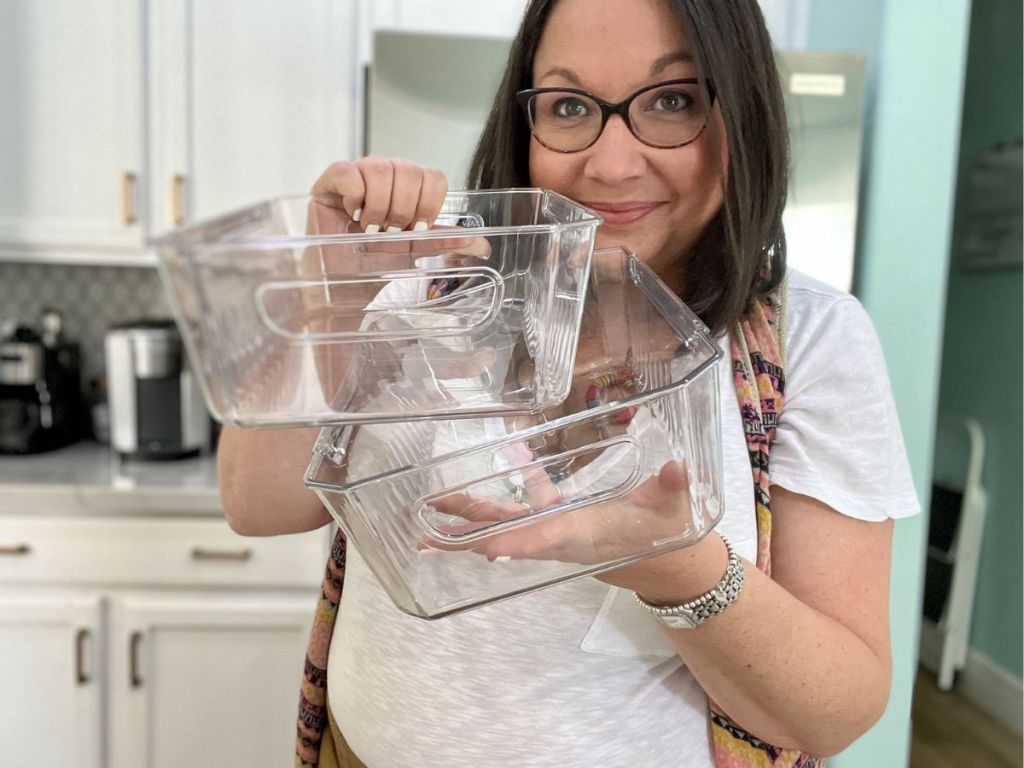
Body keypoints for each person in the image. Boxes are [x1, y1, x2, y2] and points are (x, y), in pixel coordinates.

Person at [217, 1, 920, 766]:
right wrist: (327, 295)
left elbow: (832, 714)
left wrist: (678, 567)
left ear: (741, 114)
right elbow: (259, 506)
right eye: (570, 106)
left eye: (673, 100)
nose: (611, 165)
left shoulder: (811, 341)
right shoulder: (428, 288)